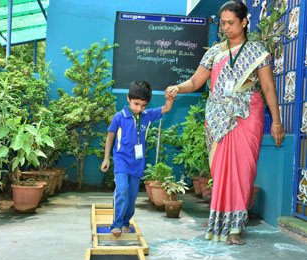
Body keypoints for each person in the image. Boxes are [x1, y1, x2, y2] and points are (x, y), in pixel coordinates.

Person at [165, 0, 285, 245]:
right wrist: (178, 87)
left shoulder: (257, 53)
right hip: (218, 118)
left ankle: (235, 228)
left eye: (231, 23)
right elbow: (196, 82)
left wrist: (277, 121)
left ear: (244, 22)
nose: (226, 27)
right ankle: (219, 220)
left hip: (246, 116)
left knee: (242, 172)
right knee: (220, 173)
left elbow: (268, 87)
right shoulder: (215, 52)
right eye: (223, 23)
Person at [101, 80, 175, 236]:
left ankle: (126, 222)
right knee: (122, 190)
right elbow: (110, 136)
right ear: (128, 98)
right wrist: (106, 158)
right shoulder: (119, 117)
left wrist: (170, 98)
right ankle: (117, 223)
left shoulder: (147, 116)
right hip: (121, 161)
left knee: (132, 194)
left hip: (137, 163)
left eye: (143, 105)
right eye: (136, 104)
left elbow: (166, 108)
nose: (139, 108)